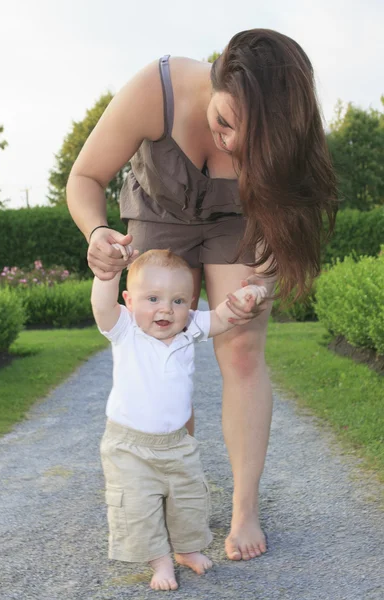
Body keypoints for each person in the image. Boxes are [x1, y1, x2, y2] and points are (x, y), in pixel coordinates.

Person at [67, 29, 337, 561]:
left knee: (239, 348)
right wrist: (97, 233)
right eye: (224, 124)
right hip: (158, 213)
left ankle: (244, 509)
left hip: (240, 220)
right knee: (158, 344)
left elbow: (291, 224)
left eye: (248, 138)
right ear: (216, 79)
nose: (231, 145)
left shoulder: (288, 127)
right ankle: (167, 497)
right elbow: (85, 176)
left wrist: (260, 286)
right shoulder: (157, 88)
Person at [92, 247, 267, 591]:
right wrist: (105, 275)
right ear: (129, 300)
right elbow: (102, 306)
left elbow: (223, 317)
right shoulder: (125, 329)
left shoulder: (189, 327)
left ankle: (186, 549)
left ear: (190, 304)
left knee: (188, 499)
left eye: (177, 301)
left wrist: (249, 296)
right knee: (139, 506)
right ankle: (159, 561)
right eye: (153, 298)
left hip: (176, 443)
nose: (165, 309)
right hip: (129, 446)